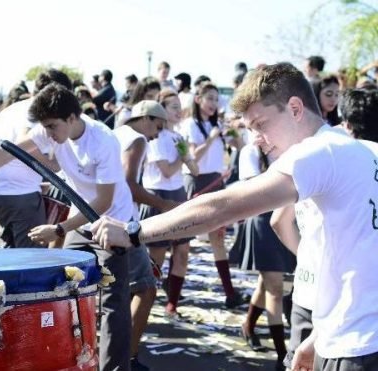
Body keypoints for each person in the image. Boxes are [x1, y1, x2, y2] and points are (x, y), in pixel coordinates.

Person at [91, 62, 378, 371]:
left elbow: (222, 206)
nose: (257, 139)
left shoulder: (319, 152)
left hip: (355, 345)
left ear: (295, 108)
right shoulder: (361, 151)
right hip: (353, 331)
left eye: (260, 124)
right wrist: (320, 333)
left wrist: (133, 231)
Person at [0, 83, 135, 371]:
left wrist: (58, 229)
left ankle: (114, 368)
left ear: (72, 118)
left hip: (113, 223)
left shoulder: (103, 141)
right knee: (64, 288)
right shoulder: (51, 130)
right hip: (80, 222)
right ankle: (70, 358)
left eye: (52, 126)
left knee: (112, 302)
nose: (48, 134)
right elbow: (7, 153)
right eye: (45, 127)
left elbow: (104, 201)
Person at [271, 87, 378, 369]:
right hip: (355, 304)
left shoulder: (323, 155)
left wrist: (309, 255)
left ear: (347, 124)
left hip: (318, 294)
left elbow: (278, 220)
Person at [0, 69, 70, 248]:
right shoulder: (40, 113)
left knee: (11, 254)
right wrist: (51, 166)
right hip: (22, 195)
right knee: (32, 260)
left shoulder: (10, 109)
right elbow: (24, 144)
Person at [114, 100, 173, 370]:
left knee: (116, 294)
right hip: (122, 222)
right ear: (146, 119)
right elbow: (129, 184)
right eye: (158, 127)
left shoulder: (116, 132)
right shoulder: (137, 139)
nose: (156, 135)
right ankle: (128, 357)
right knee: (146, 289)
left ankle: (117, 353)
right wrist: (164, 205)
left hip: (99, 218)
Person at [179, 82, 245, 308]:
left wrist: (233, 133)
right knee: (183, 239)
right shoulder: (190, 125)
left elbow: (240, 145)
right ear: (198, 99)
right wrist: (211, 138)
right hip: (196, 180)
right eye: (210, 99)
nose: (213, 104)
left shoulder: (218, 124)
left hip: (216, 181)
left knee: (218, 238)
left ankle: (230, 293)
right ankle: (172, 297)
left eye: (217, 99)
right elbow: (192, 157)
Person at [231, 142, 296, 370]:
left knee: (267, 283)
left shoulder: (291, 145)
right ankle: (281, 354)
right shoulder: (250, 151)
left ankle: (248, 324)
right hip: (261, 220)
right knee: (275, 288)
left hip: (286, 216)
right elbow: (255, 190)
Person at [141, 89, 198, 317]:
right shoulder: (155, 137)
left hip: (179, 194)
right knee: (157, 256)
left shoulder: (178, 137)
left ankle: (172, 303)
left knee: (183, 250)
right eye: (172, 106)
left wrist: (187, 157)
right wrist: (181, 158)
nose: (178, 110)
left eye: (178, 106)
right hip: (158, 196)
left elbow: (194, 169)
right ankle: (147, 299)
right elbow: (165, 171)